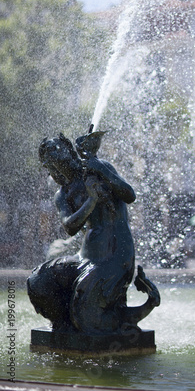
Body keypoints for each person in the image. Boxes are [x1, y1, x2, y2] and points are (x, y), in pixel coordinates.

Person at [27, 132, 159, 334]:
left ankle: (149, 303)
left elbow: (129, 195)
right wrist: (92, 200)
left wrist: (100, 169)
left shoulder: (98, 168)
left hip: (114, 256)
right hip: (85, 257)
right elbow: (70, 227)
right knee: (38, 281)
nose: (55, 151)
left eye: (57, 146)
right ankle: (65, 324)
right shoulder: (63, 194)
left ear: (69, 149)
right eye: (49, 151)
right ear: (47, 163)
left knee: (87, 318)